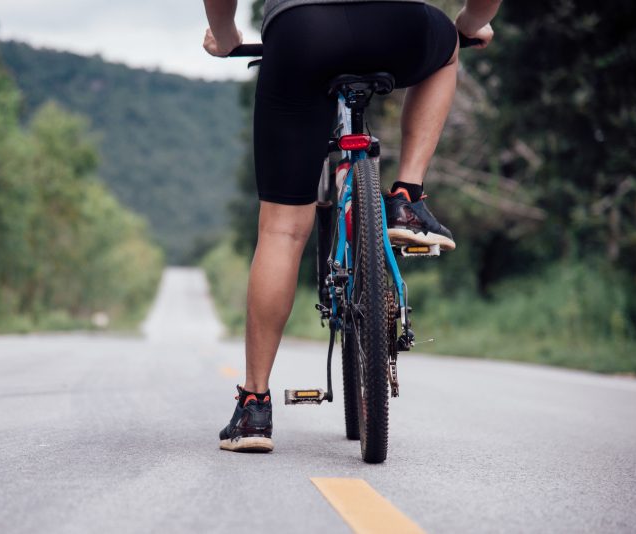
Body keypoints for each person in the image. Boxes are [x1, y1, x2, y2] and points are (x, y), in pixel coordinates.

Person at [203, 0, 501, 452]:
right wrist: (473, 23)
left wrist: (223, 33)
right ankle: (407, 197)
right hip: (398, 24)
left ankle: (254, 408)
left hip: (303, 30)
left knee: (282, 230)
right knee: (446, 51)